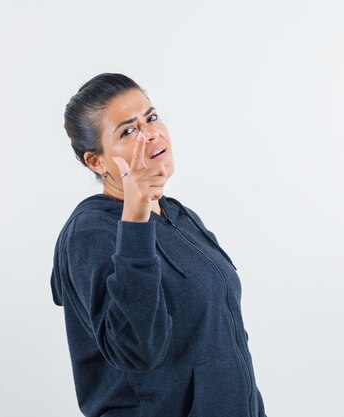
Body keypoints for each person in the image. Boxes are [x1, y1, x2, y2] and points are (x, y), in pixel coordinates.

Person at [50, 73, 268, 417]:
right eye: (128, 130)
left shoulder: (178, 215)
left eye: (150, 117)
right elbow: (138, 350)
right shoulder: (90, 234)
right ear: (97, 161)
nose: (150, 133)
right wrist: (135, 218)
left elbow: (226, 343)